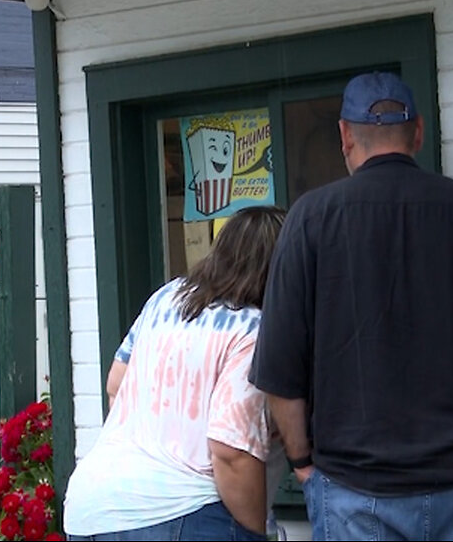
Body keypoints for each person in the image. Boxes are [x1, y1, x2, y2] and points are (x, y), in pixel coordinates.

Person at [250, 71, 453, 541]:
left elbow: (280, 371)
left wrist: (303, 463)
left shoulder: (311, 219)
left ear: (345, 136)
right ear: (418, 132)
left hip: (353, 489)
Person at [63, 206, 289, 541]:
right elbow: (231, 452)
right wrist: (255, 532)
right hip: (182, 510)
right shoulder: (253, 330)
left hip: (91, 506)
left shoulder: (168, 297)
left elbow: (116, 385)